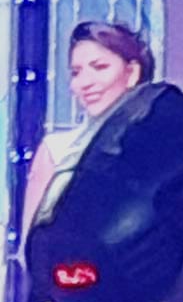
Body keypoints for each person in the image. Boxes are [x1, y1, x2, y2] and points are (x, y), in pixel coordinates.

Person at [21, 21, 155, 246]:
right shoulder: (57, 150)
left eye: (100, 67)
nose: (85, 83)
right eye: (76, 72)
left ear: (132, 72)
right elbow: (32, 245)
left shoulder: (160, 146)